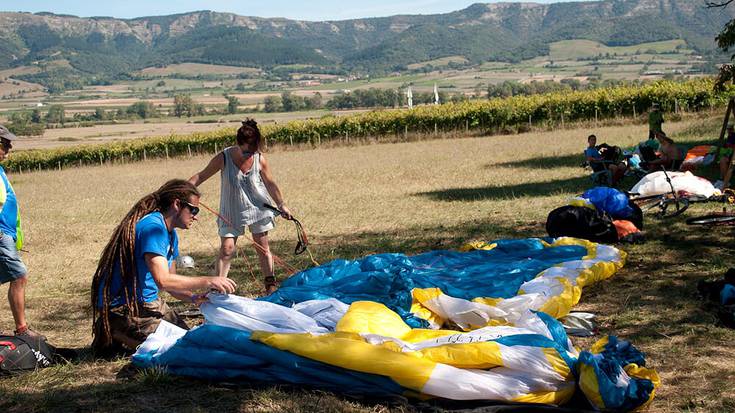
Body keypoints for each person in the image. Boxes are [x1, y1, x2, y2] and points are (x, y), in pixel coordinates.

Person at [91, 179, 237, 356]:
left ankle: (120, 333)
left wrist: (194, 297)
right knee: (178, 348)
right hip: (122, 307)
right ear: (177, 204)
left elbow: (170, 285)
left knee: (189, 338)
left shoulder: (171, 234)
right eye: (193, 209)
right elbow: (163, 280)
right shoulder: (153, 228)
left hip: (147, 303)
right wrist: (209, 280)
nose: (196, 216)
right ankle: (111, 329)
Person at [189, 119, 292, 294]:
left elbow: (270, 184)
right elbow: (201, 176)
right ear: (238, 144)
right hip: (231, 211)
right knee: (227, 249)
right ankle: (218, 290)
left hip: (258, 209)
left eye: (252, 151)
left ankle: (270, 286)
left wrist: (282, 205)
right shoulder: (224, 157)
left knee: (262, 247)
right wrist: (180, 190)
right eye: (245, 151)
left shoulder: (260, 159)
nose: (248, 155)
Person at [0, 125, 45, 343]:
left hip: (6, 234)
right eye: (4, 143)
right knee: (19, 275)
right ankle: (21, 329)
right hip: (1, 236)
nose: (9, 147)